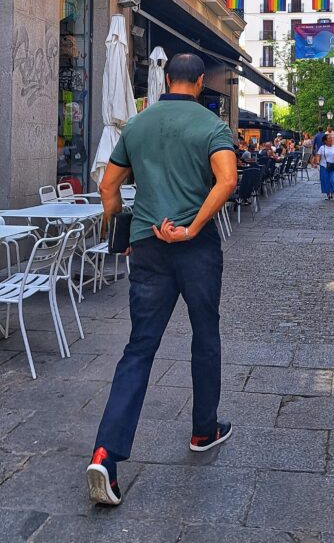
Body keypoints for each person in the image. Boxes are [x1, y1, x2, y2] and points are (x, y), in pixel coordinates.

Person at [86, 54, 238, 506]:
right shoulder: (212, 126)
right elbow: (227, 180)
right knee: (205, 335)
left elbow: (107, 188)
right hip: (195, 248)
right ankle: (203, 429)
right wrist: (191, 227)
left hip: (149, 245)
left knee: (139, 348)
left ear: (167, 79)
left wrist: (121, 229)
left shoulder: (137, 124)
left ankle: (105, 454)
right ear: (200, 83)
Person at [314, 131, 334, 200]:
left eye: (331, 138)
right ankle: (328, 194)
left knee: (333, 180)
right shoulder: (322, 148)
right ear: (325, 141)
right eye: (329, 138)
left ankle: (332, 194)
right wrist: (318, 161)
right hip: (324, 166)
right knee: (326, 180)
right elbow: (318, 155)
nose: (331, 139)